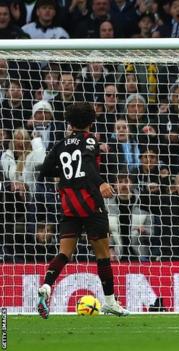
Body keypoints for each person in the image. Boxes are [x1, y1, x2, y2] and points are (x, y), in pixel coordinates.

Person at [36, 103, 129, 318]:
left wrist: (67, 175)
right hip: (90, 204)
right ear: (91, 121)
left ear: (69, 122)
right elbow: (87, 167)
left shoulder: (60, 144)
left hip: (69, 206)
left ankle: (47, 286)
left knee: (64, 253)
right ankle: (110, 303)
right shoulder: (89, 140)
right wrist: (101, 183)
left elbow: (45, 172)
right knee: (103, 254)